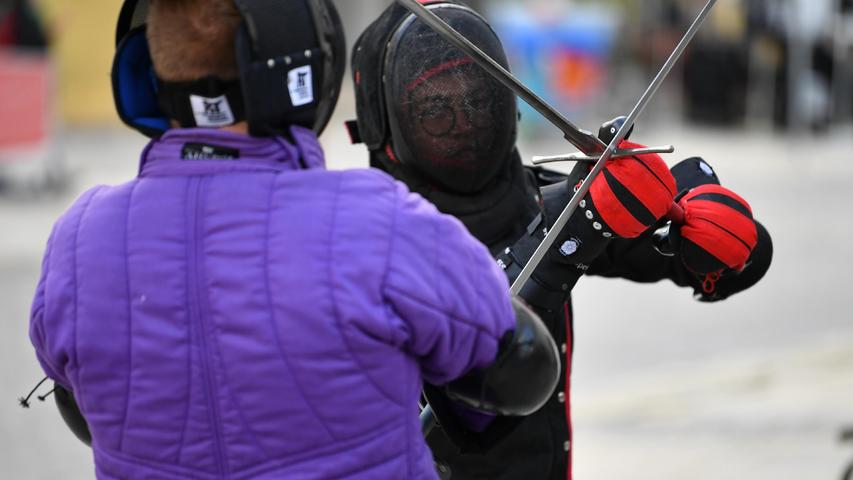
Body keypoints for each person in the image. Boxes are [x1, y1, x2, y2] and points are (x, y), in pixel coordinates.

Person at [26, 0, 562, 478]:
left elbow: (82, 408)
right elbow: (521, 372)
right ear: (305, 72)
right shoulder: (381, 221)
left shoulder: (78, 239)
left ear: (145, 71)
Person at [349, 2, 773, 479]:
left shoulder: (541, 200)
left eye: (477, 100)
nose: (463, 123)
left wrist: (713, 230)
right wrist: (570, 234)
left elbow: (681, 257)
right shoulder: (360, 246)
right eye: (435, 109)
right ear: (386, 125)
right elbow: (458, 385)